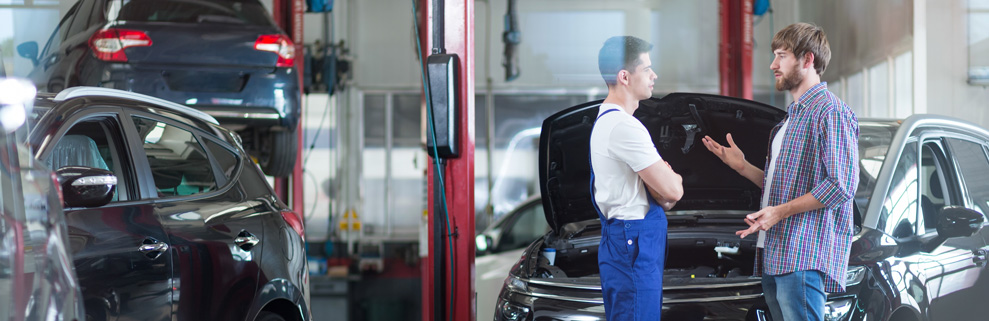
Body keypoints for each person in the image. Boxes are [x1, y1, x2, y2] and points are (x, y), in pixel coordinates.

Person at [701, 23, 858, 321]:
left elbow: (841, 185)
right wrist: (742, 167)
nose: (773, 65)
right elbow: (786, 187)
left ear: (807, 59)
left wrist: (779, 212)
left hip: (803, 254)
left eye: (781, 56)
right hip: (777, 252)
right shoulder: (789, 120)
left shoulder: (830, 112)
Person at [590, 35, 683, 321]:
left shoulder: (607, 121)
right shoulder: (624, 126)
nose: (654, 75)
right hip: (633, 242)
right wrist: (673, 178)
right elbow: (673, 191)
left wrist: (663, 188)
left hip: (626, 241)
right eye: (647, 69)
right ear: (624, 77)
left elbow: (663, 197)